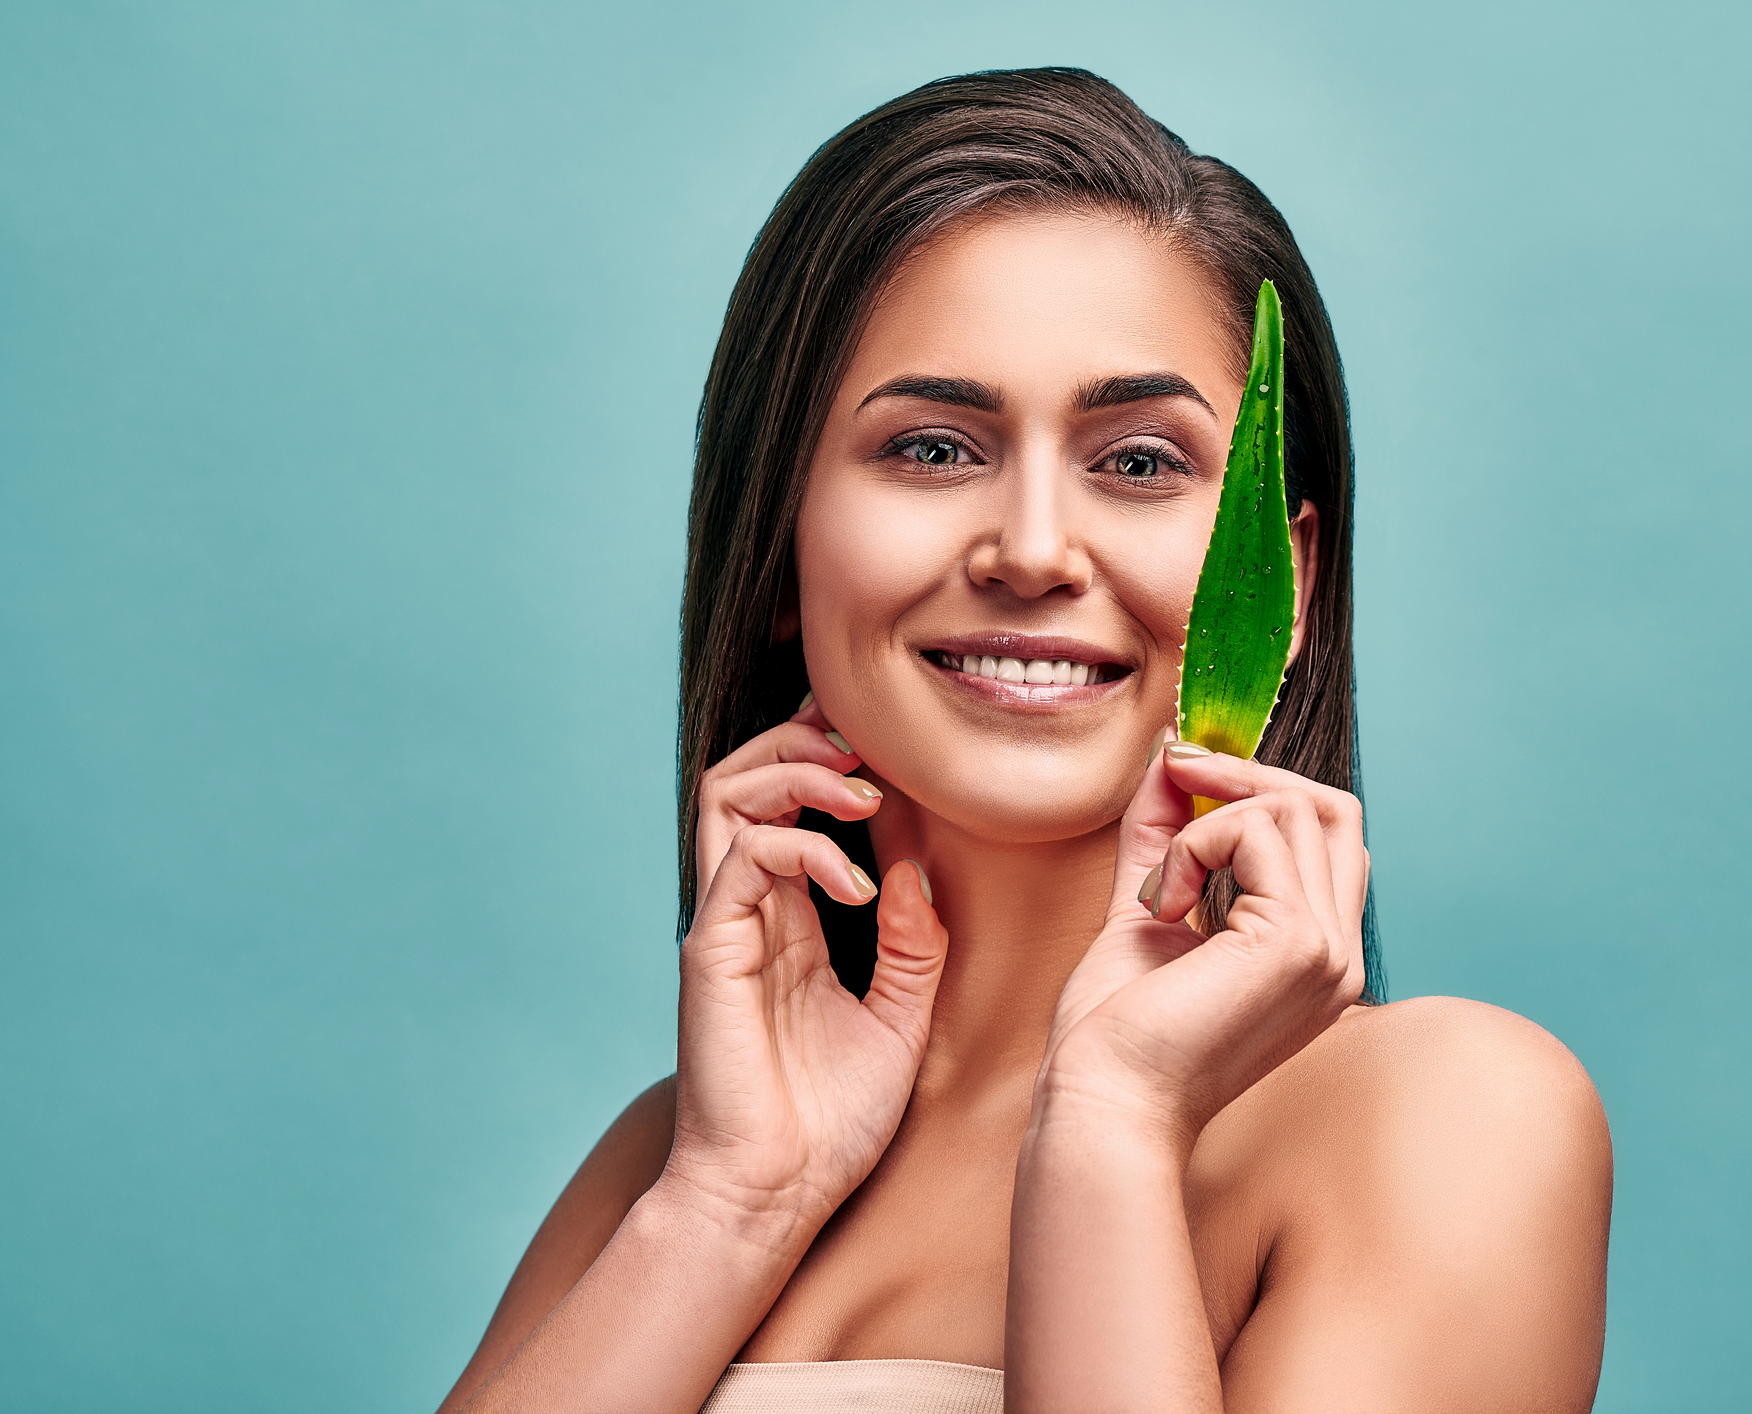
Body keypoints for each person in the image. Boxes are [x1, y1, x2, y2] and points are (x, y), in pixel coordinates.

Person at [438, 67, 1611, 1414]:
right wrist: (729, 1204)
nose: (1036, 551)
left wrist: (1111, 1123)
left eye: (1138, 462)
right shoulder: (668, 1157)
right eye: (934, 449)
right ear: (777, 552)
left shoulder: (1446, 1119)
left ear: (1281, 588)